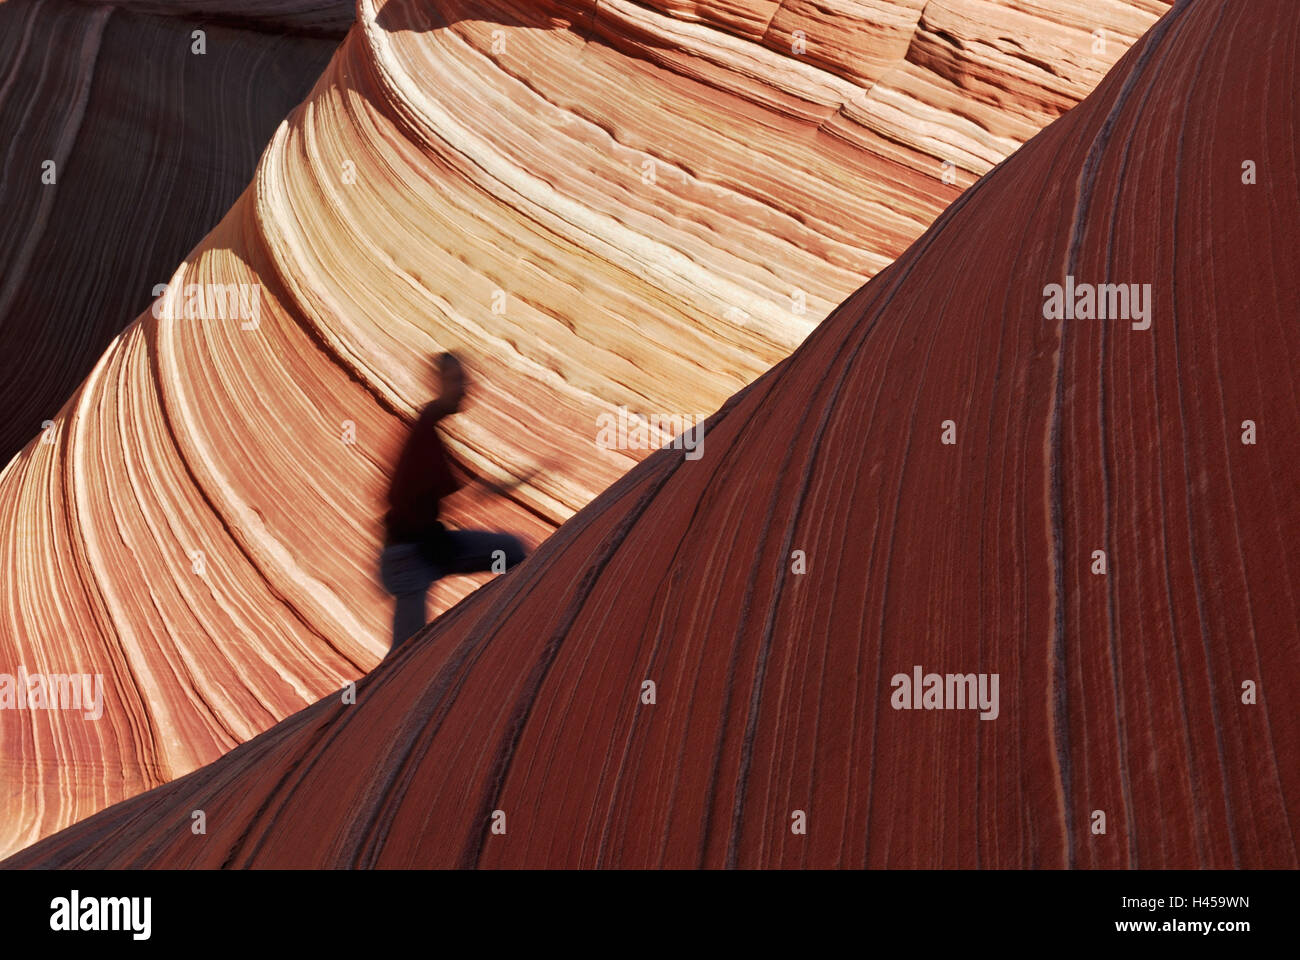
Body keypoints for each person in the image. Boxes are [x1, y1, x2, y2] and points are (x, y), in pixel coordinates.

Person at [379, 351, 529, 651]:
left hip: (426, 548)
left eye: (465, 379)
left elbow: (465, 487)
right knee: (403, 659)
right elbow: (409, 497)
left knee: (513, 550)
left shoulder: (430, 427)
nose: (464, 387)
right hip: (409, 558)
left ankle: (504, 632)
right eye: (455, 380)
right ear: (436, 384)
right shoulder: (425, 430)